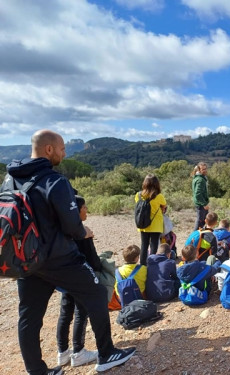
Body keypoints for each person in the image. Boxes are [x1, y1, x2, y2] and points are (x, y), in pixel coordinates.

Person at [2, 129, 135, 375]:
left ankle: (37, 371)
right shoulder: (55, 181)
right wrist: (83, 231)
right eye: (62, 149)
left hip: (27, 259)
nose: (64, 153)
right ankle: (106, 353)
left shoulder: (9, 179)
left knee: (29, 317)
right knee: (95, 293)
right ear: (49, 149)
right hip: (60, 259)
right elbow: (72, 226)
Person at [56, 196, 101, 368]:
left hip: (64, 277)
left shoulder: (61, 231)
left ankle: (62, 353)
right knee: (81, 312)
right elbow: (93, 261)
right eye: (84, 207)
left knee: (65, 313)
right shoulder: (83, 231)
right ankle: (79, 352)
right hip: (80, 277)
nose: (87, 209)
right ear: (77, 210)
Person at [136, 174, 167, 265]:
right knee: (154, 246)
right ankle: (152, 265)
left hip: (143, 224)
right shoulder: (159, 196)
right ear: (156, 184)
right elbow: (164, 206)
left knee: (144, 245)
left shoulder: (138, 195)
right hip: (155, 225)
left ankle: (142, 265)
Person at [191, 162, 209, 231]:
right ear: (199, 170)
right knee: (200, 223)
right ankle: (193, 239)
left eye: (205, 169)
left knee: (203, 222)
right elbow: (198, 194)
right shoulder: (200, 180)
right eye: (203, 169)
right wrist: (204, 204)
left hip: (200, 204)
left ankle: (200, 238)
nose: (205, 170)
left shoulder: (197, 178)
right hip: (201, 204)